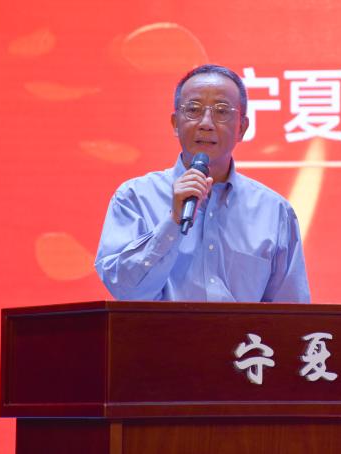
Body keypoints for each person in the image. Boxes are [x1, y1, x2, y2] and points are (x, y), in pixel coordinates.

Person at [94, 64, 310, 302]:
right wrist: (172, 223)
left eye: (221, 111)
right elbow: (124, 289)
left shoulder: (274, 211)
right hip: (159, 329)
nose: (206, 123)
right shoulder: (134, 197)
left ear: (242, 128)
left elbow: (289, 311)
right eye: (193, 110)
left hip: (243, 330)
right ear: (175, 124)